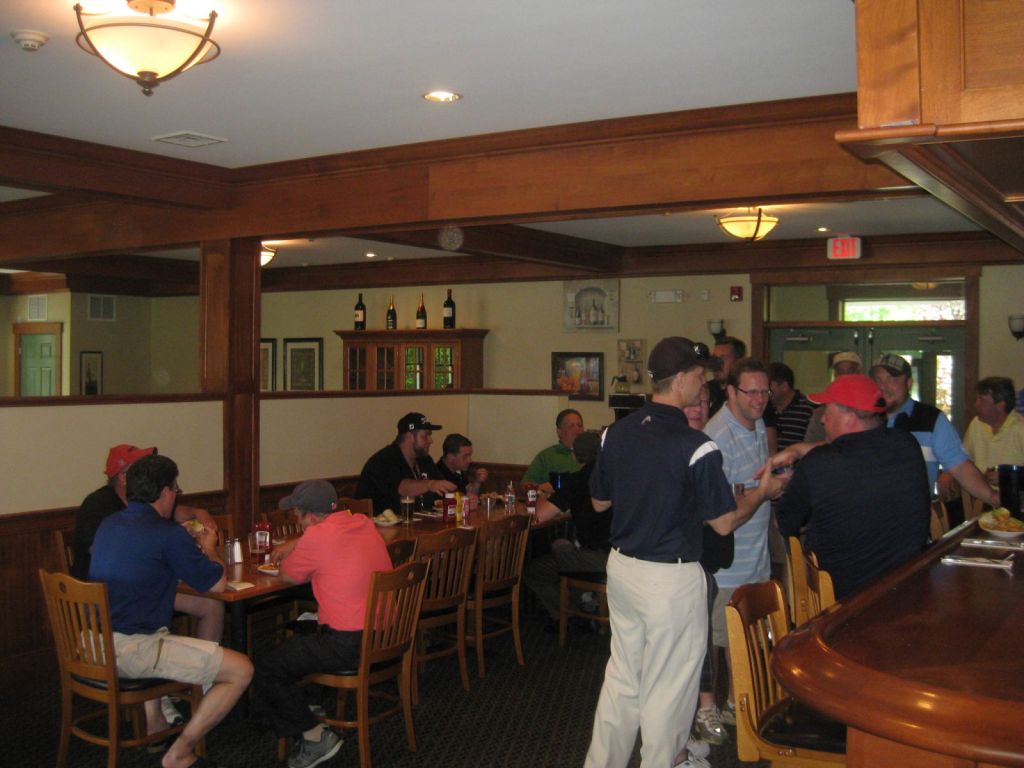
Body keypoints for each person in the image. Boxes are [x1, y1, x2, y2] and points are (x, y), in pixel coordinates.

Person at [584, 337, 784, 768]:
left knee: (622, 680)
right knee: (670, 687)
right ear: (680, 381)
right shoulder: (697, 446)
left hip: (622, 570)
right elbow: (725, 521)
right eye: (700, 375)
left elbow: (600, 502)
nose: (704, 382)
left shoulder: (614, 433)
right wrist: (764, 492)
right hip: (670, 579)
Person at [88, 454, 253, 768]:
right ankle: (180, 752)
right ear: (164, 492)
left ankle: (189, 703)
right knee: (241, 669)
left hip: (92, 644)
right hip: (131, 649)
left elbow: (145, 564)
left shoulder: (109, 524)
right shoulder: (167, 533)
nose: (177, 494)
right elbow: (217, 584)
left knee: (194, 617)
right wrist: (210, 547)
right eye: (176, 489)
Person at [73, 444, 224, 731]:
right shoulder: (100, 506)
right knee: (238, 665)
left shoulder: (144, 507)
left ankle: (200, 687)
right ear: (124, 476)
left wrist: (198, 513)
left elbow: (179, 514)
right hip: (106, 602)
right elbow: (108, 553)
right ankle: (163, 697)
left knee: (209, 605)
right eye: (142, 466)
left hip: (129, 600)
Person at [254, 479, 392, 768]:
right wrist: (299, 542)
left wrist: (297, 547)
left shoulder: (317, 537)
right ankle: (307, 705)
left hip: (348, 644)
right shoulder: (364, 523)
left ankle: (315, 736)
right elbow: (328, 542)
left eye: (296, 513)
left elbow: (288, 576)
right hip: (384, 636)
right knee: (304, 630)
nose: (294, 517)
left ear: (311, 517)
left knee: (266, 665)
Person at [774, 375, 931, 599]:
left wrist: (784, 485)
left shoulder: (819, 464)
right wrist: (799, 449)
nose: (822, 420)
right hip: (907, 590)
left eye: (828, 413)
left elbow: (785, 523)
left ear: (849, 419)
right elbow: (861, 447)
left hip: (839, 604)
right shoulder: (906, 444)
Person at [704, 357, 783, 726]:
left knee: (748, 636)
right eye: (751, 391)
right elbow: (719, 513)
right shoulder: (717, 437)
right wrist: (765, 492)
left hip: (757, 556)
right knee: (724, 641)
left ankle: (742, 704)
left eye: (765, 390)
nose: (760, 398)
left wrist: (774, 483)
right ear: (730, 392)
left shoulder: (756, 422)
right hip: (728, 565)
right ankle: (720, 712)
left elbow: (754, 485)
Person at [870, 353, 998, 508]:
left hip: (913, 521)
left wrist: (992, 497)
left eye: (892, 379)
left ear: (909, 383)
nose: (883, 386)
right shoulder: (862, 419)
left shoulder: (930, 419)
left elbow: (960, 467)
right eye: (878, 380)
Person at [684, 384, 733, 748]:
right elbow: (720, 519)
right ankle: (698, 713)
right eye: (693, 401)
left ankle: (703, 708)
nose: (700, 407)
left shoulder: (708, 448)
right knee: (689, 647)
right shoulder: (677, 449)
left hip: (706, 560)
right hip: (676, 566)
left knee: (701, 642)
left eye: (705, 402)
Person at [522, 430, 610, 629]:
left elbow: (540, 516)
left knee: (532, 570)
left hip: (596, 559)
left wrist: (542, 494)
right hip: (621, 556)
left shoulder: (578, 480)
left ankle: (570, 614)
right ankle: (585, 604)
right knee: (561, 546)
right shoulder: (615, 475)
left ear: (575, 455)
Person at [355, 412, 456, 514]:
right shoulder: (384, 460)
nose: (431, 440)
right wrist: (430, 484)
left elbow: (443, 486)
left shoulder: (424, 459)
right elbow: (401, 488)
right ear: (409, 436)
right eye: (425, 436)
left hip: (417, 523)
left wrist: (462, 497)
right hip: (379, 525)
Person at [708, 336, 778, 453]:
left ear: (738, 361)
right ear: (732, 392)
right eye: (714, 358)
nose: (717, 364)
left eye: (722, 358)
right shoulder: (706, 391)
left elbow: (770, 453)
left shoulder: (759, 408)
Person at [961, 376, 1024, 499]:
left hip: (1015, 505)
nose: (975, 405)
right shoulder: (976, 424)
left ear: (1000, 406)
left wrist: (1009, 476)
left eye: (982, 400)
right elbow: (962, 459)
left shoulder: (1021, 429)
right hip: (980, 499)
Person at [804, 351, 862, 443]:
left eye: (850, 371)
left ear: (860, 373)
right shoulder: (820, 414)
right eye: (840, 372)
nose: (845, 376)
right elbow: (810, 450)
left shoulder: (870, 411)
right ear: (835, 375)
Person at [523, 408, 584, 493]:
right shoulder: (546, 457)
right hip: (553, 504)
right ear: (559, 432)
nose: (578, 429)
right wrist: (540, 488)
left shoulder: (592, 455)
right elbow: (525, 485)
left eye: (580, 425)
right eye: (571, 426)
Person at [769, 362, 815, 449]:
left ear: (784, 387)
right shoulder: (763, 408)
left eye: (770, 385)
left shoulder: (807, 409)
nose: (765, 390)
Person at [436, 433, 489, 500]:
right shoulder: (436, 474)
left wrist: (477, 482)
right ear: (450, 457)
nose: (469, 460)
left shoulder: (459, 471)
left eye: (470, 456)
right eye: (465, 456)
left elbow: (469, 495)